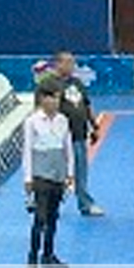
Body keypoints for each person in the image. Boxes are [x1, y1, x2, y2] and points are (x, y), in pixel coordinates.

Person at [38, 51, 104, 216]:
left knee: (81, 171)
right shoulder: (47, 84)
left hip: (79, 135)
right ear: (58, 64)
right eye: (68, 62)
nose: (72, 66)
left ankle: (85, 204)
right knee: (55, 173)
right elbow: (40, 111)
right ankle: (48, 205)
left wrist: (94, 126)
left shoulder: (77, 83)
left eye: (73, 62)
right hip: (58, 139)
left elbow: (86, 104)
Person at [22, 84, 74, 268]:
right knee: (40, 218)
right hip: (41, 176)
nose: (55, 102)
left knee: (53, 217)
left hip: (58, 175)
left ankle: (48, 255)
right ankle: (32, 259)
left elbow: (67, 148)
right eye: (52, 98)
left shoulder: (63, 121)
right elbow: (27, 150)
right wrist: (28, 178)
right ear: (43, 99)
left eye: (58, 98)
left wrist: (70, 173)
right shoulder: (32, 122)